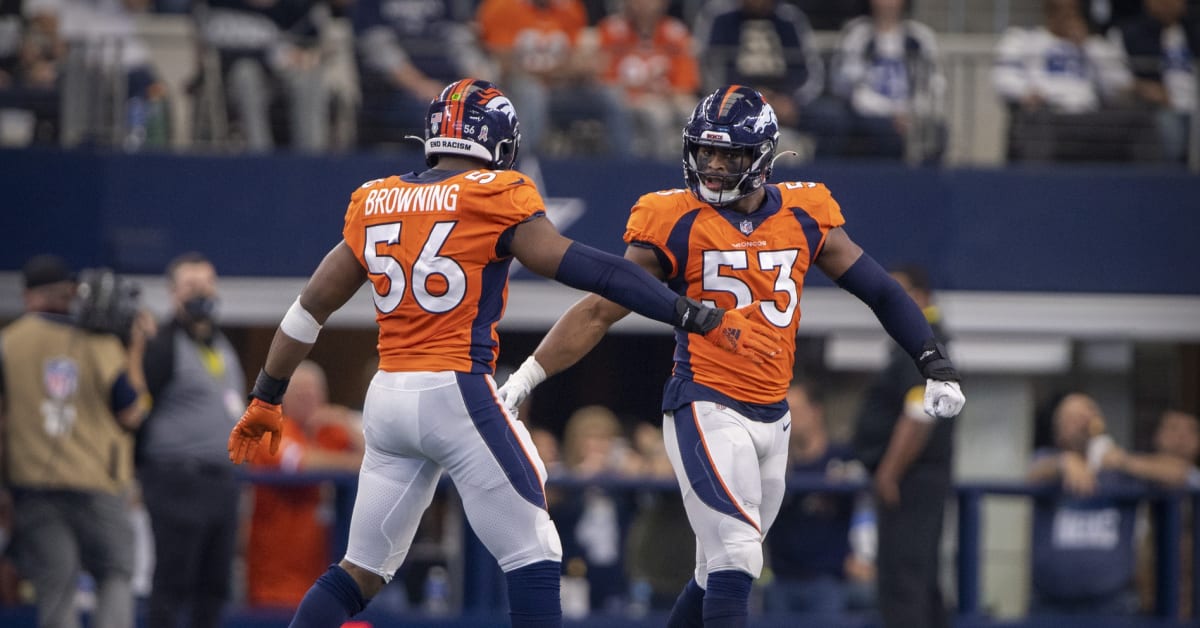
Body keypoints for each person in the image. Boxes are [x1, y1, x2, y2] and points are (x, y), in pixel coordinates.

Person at [224, 77, 781, 628]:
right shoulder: (493, 194)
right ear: (497, 144)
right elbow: (591, 270)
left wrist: (266, 394)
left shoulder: (375, 198)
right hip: (456, 390)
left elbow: (309, 308)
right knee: (536, 552)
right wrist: (685, 311)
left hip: (388, 397)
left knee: (360, 569)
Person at [495, 84, 966, 627]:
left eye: (730, 154)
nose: (714, 165)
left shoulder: (805, 212)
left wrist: (932, 359)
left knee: (716, 570)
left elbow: (881, 290)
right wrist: (528, 375)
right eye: (707, 151)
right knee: (740, 556)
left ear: (762, 156)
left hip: (774, 416)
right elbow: (601, 309)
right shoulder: (673, 218)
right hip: (706, 404)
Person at [1, 254, 153, 628]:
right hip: (97, 485)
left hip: (33, 486)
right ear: (69, 293)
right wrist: (135, 349)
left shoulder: (7, 343)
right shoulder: (100, 343)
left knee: (57, 587)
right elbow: (131, 412)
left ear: (28, 296)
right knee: (115, 574)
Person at [137, 252, 246, 628]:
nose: (201, 293)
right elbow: (136, 411)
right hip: (177, 481)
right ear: (173, 294)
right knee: (173, 582)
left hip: (221, 482)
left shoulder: (220, 345)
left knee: (215, 586)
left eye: (206, 285)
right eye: (191, 286)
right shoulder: (162, 347)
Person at [850, 264, 954, 628]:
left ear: (920, 296)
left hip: (909, 482)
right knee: (919, 580)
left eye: (899, 293)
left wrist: (889, 474)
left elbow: (918, 410)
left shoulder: (922, 339)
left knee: (902, 582)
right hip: (915, 480)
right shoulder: (927, 338)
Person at [246, 360, 364, 608]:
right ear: (284, 397)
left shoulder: (330, 432)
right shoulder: (269, 428)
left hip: (323, 574)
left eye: (314, 393)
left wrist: (342, 419)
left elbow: (375, 460)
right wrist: (350, 462)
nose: (308, 400)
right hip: (275, 581)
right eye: (300, 393)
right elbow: (300, 461)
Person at [992, 0, 1157, 162]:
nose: (1066, 16)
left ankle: (1153, 184)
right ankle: (1036, 186)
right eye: (1060, 9)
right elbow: (1002, 78)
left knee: (1139, 121)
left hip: (1089, 116)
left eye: (1071, 10)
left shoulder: (1092, 44)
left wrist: (1087, 44)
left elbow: (1121, 82)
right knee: (1036, 124)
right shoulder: (1023, 38)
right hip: (1050, 112)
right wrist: (1026, 92)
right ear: (1048, 11)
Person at [1026, 392, 1143, 616]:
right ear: (1058, 431)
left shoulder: (1121, 468)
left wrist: (1126, 462)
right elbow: (1032, 473)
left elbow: (1181, 473)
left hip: (1112, 605)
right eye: (1071, 418)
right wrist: (1064, 462)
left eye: (1087, 413)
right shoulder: (1047, 460)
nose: (1082, 422)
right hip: (1050, 606)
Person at [766, 380, 875, 616]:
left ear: (816, 412)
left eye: (794, 410)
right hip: (781, 580)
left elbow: (880, 495)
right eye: (783, 411)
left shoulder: (844, 460)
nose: (788, 419)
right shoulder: (772, 463)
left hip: (827, 581)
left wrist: (869, 563)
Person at [827, 0, 946, 161]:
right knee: (883, 132)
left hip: (912, 114)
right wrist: (891, 115)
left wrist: (910, 113)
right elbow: (849, 84)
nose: (888, 3)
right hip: (869, 115)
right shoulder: (858, 34)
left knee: (937, 131)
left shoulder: (920, 36)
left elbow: (933, 84)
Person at [1111, 0, 1198, 162]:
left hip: (1195, 104)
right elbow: (1117, 78)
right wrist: (1144, 88)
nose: (1168, 4)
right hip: (1161, 107)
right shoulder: (1130, 33)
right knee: (1169, 129)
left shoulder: (1193, 31)